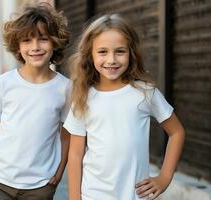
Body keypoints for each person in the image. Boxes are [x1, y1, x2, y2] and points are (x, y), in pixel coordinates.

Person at [64, 14, 185, 200]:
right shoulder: (83, 97)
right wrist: (74, 198)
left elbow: (176, 132)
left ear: (131, 53)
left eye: (120, 51)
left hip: (135, 195)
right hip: (93, 195)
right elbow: (75, 154)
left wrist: (165, 177)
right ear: (90, 54)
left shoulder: (145, 93)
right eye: (102, 52)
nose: (111, 60)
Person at [0, 2, 70, 200]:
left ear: (54, 42)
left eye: (43, 39)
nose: (35, 47)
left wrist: (59, 172)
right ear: (17, 45)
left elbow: (66, 136)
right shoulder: (3, 84)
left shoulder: (66, 88)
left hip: (41, 186)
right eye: (27, 40)